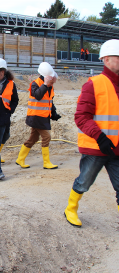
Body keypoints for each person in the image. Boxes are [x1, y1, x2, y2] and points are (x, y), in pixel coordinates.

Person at [64, 39, 119, 227]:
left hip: (117, 149)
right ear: (105, 59)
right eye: (118, 57)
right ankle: (70, 209)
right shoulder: (93, 85)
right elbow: (81, 117)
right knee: (84, 182)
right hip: (96, 147)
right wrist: (100, 137)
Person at [16, 62, 61, 169]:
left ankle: (20, 159)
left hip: (43, 117)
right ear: (46, 77)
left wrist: (53, 113)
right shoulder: (35, 84)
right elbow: (38, 96)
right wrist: (45, 85)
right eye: (52, 78)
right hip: (36, 117)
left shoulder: (50, 86)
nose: (54, 80)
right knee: (47, 137)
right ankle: (46, 163)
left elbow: (49, 101)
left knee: (33, 138)